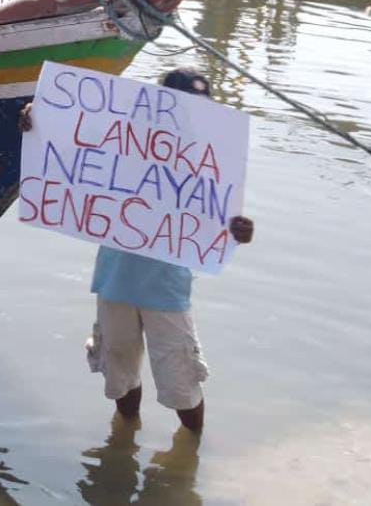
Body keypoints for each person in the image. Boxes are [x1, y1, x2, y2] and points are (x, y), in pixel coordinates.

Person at [19, 67, 254, 433]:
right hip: (116, 282)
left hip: (167, 290)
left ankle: (190, 446)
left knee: (181, 384)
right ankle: (127, 437)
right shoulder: (121, 140)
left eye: (202, 105)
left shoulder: (209, 157)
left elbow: (225, 220)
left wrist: (241, 229)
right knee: (119, 377)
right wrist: (40, 120)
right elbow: (67, 150)